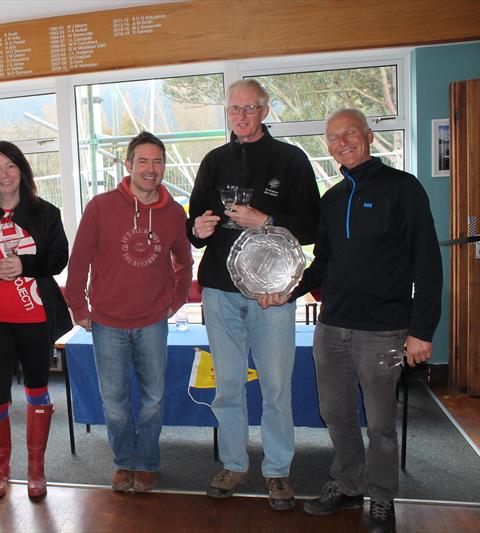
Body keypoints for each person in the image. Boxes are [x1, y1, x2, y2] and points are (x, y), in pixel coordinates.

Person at [259, 108, 442, 533]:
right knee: (336, 414)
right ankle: (347, 483)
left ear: (368, 137)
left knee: (379, 424)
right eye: (333, 137)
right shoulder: (332, 199)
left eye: (350, 134)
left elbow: (427, 263)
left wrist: (422, 330)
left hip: (384, 331)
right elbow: (322, 263)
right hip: (332, 329)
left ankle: (381, 497)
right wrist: (290, 291)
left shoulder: (403, 189)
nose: (342, 142)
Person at [187, 79, 320, 510]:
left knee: (277, 387)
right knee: (227, 386)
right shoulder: (212, 161)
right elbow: (196, 223)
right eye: (233, 109)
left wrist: (267, 219)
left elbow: (313, 228)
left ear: (264, 111)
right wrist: (197, 230)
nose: (241, 116)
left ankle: (278, 471)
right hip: (220, 293)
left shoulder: (291, 160)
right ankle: (233, 463)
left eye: (249, 108)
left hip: (273, 294)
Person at [65, 131, 193, 493]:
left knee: (153, 401)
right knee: (116, 403)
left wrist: (177, 298)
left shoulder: (173, 212)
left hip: (154, 321)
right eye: (143, 161)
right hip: (107, 323)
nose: (151, 169)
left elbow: (184, 260)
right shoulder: (101, 206)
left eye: (157, 162)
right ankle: (124, 462)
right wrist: (78, 305)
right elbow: (80, 260)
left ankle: (148, 463)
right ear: (128, 165)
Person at [0, 141, 72, 499]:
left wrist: (26, 265)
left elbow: (58, 258)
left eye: (10, 166)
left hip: (36, 318)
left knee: (38, 390)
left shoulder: (46, 213)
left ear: (22, 170)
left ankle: (36, 469)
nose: (4, 174)